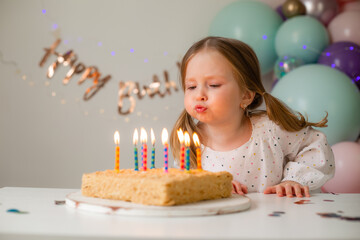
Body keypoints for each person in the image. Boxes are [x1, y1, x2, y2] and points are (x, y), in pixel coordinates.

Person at [170, 36, 335, 198]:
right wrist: (212, 184)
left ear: (246, 96)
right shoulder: (188, 140)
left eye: (214, 85)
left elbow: (315, 146)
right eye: (191, 87)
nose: (199, 95)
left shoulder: (270, 130)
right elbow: (188, 186)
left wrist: (294, 180)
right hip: (219, 223)